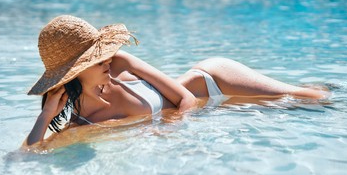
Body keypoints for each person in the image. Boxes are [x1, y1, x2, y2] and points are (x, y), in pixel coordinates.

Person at [25, 15, 328, 146]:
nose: (107, 59)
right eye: (97, 59)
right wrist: (46, 116)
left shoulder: (119, 63)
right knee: (302, 110)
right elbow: (27, 156)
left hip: (216, 82)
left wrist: (170, 130)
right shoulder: (81, 124)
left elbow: (186, 99)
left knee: (314, 99)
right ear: (76, 72)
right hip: (218, 112)